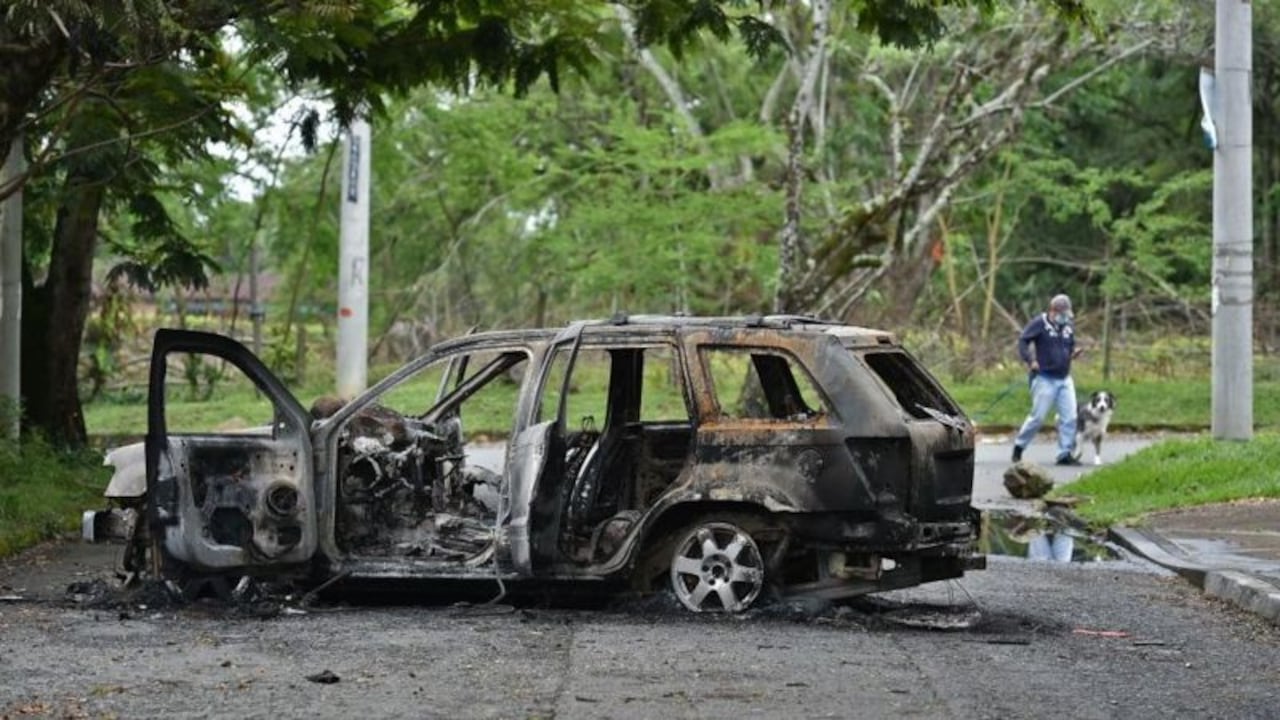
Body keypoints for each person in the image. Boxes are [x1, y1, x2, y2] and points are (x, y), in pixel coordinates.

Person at [1011, 293, 1083, 465]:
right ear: (1053, 311)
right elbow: (1023, 341)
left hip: (1064, 377)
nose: (1065, 318)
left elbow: (1069, 344)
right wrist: (1031, 360)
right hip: (1044, 378)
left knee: (1070, 416)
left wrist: (1073, 353)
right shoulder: (1039, 323)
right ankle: (1019, 446)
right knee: (1038, 417)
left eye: (1067, 314)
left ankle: (1064, 453)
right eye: (1062, 314)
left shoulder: (1068, 326)